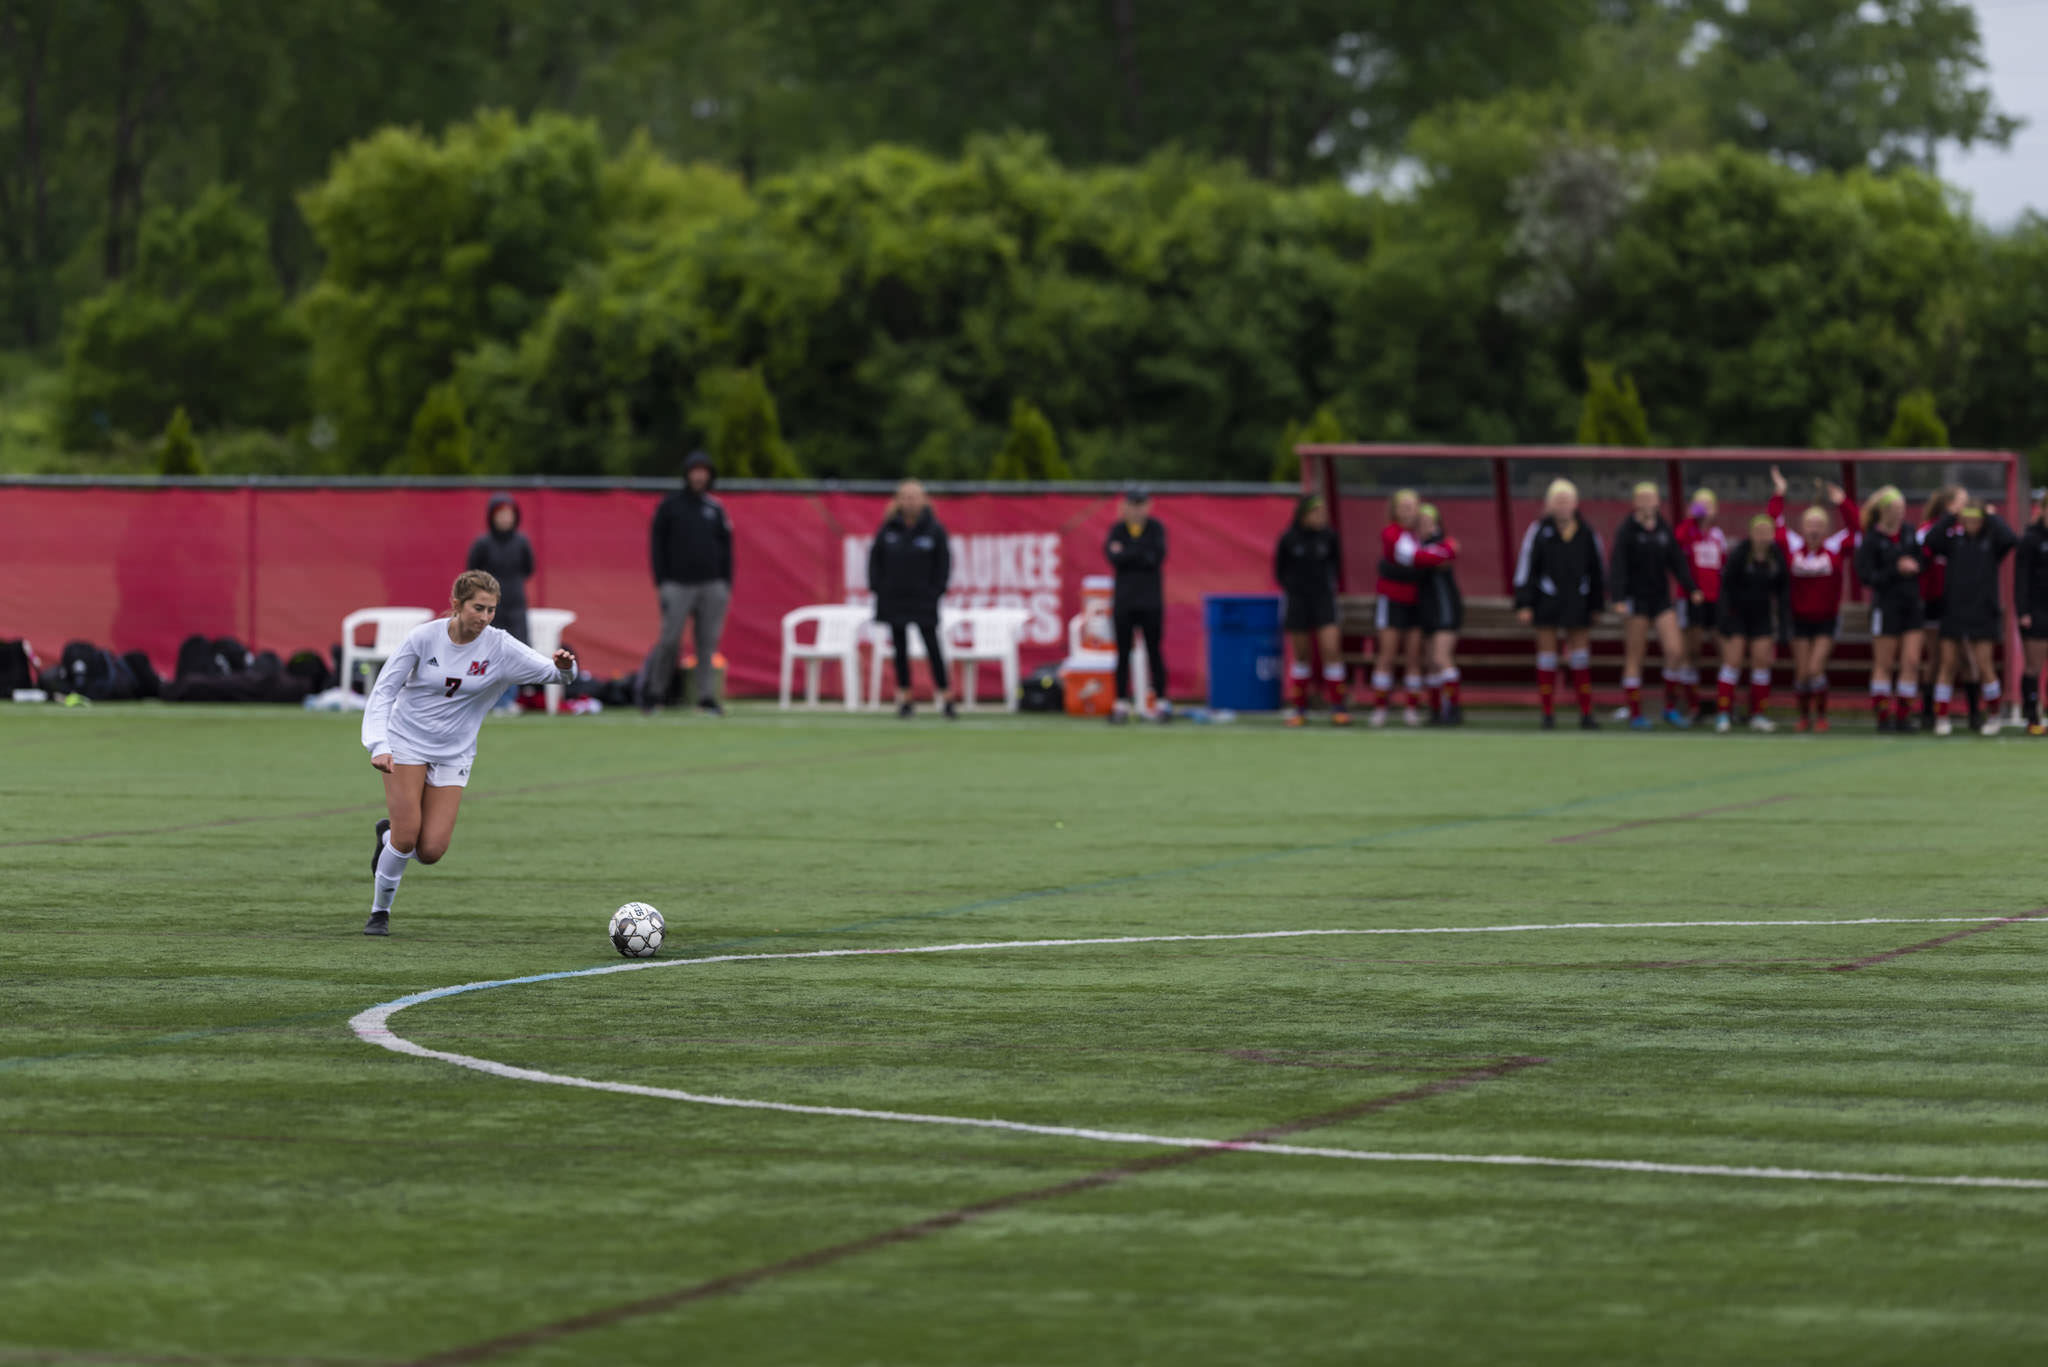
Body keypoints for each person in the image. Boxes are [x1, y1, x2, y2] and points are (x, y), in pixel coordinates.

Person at [359, 570, 576, 936]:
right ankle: (380, 912)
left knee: (431, 851)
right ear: (456, 605)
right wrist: (379, 745)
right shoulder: (423, 638)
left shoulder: (499, 645)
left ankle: (386, 838)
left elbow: (554, 675)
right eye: (478, 608)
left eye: (492, 610)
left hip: (454, 752)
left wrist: (566, 667)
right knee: (408, 836)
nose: (485, 618)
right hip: (406, 741)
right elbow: (383, 693)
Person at [1769, 466, 1861, 733]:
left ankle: (1821, 715)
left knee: (1813, 668)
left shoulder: (1834, 548)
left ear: (1826, 529)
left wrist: (1843, 502)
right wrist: (1779, 493)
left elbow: (1856, 530)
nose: (1814, 530)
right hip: (1798, 618)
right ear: (1803, 526)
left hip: (1826, 619)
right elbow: (1774, 522)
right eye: (1810, 525)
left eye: (1819, 526)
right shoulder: (1792, 545)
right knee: (1802, 672)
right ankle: (1803, 716)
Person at [1513, 478, 1606, 730]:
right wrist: (1524, 602)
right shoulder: (1538, 531)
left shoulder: (1587, 532)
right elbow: (1526, 569)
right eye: (1557, 500)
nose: (1562, 505)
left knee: (1580, 657)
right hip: (1547, 600)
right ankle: (1547, 713)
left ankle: (1586, 713)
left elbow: (1597, 571)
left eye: (1566, 500)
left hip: (1578, 601)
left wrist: (1597, 604)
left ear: (1575, 504)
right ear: (1549, 504)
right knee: (1547, 656)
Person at [645, 451, 733, 716]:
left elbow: (727, 549)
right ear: (687, 473)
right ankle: (655, 693)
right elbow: (657, 546)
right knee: (669, 640)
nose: (699, 475)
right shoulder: (670, 506)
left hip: (712, 586)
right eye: (695, 470)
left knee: (707, 643)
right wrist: (662, 582)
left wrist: (725, 584)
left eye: (704, 470)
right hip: (678, 585)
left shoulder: (715, 508)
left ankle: (706, 697)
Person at [1609, 482, 1700, 730]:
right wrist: (1618, 598)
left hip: (1661, 599)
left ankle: (1670, 708)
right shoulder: (1627, 530)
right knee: (1635, 655)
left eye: (1652, 498)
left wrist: (1692, 589)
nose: (1648, 503)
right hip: (1635, 600)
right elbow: (1617, 565)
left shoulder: (1662, 528)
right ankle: (1635, 713)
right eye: (1643, 498)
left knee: (1675, 651)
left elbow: (1677, 561)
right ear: (1635, 502)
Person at [1923, 495, 2016, 737]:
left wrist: (1992, 515)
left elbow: (2010, 538)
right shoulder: (1953, 542)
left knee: (1984, 665)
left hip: (1983, 611)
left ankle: (1994, 716)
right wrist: (1951, 516)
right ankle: (1941, 717)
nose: (1971, 524)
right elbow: (1931, 539)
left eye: (1976, 520)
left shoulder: (1992, 543)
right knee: (1948, 664)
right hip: (1954, 611)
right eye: (1966, 520)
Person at [869, 479, 957, 720]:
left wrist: (935, 591)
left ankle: (946, 696)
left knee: (932, 646)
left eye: (914, 496)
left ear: (924, 500)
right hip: (893, 599)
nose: (909, 501)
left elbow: (944, 564)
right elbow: (875, 561)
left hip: (923, 600)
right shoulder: (888, 529)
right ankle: (905, 698)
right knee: (900, 649)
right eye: (905, 497)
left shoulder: (934, 529)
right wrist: (879, 588)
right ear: (898, 500)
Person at [1371, 488, 1454, 727]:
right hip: (1392, 600)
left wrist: (1444, 549)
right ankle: (1379, 709)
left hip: (1416, 602)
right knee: (1386, 655)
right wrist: (1447, 551)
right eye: (1403, 507)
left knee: (1414, 657)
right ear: (1394, 510)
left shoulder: (1421, 533)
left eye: (1412, 507)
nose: (1409, 512)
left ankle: (1411, 709)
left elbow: (1437, 550)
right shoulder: (1391, 533)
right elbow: (1419, 558)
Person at [1273, 494, 1350, 727]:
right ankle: (1299, 709)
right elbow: (1279, 571)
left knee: (1331, 650)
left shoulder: (1329, 538)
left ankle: (1338, 708)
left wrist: (1325, 588)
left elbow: (1336, 567)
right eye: (1316, 512)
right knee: (1302, 655)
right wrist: (1295, 587)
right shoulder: (1288, 538)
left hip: (1323, 601)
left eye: (1322, 513)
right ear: (1304, 514)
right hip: (1298, 602)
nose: (1321, 517)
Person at [1853, 486, 1924, 733]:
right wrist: (1896, 568)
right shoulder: (1872, 539)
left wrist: (1915, 564)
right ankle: (1883, 716)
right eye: (1895, 509)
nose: (1900, 514)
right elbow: (1867, 576)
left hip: (1911, 604)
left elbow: (1920, 559)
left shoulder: (1908, 532)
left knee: (1912, 661)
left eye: (1903, 509)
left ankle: (1904, 715)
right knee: (1884, 662)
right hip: (1886, 606)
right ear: (1884, 510)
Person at [1713, 513, 1792, 733]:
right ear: (1751, 533)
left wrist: (1784, 626)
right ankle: (1723, 714)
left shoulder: (1776, 556)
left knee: (1761, 662)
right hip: (1737, 615)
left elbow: (1783, 592)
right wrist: (1724, 619)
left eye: (1767, 533)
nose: (1763, 537)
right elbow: (1726, 587)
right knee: (1733, 660)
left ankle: (1757, 714)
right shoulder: (1740, 553)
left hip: (1762, 617)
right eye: (1759, 532)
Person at [1104, 486, 1170, 722]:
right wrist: (1139, 553)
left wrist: (1129, 553)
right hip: (1124, 602)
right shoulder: (1118, 530)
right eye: (1132, 505)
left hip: (1151, 602)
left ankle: (1161, 703)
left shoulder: (1156, 529)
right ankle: (1121, 703)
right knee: (1122, 654)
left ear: (1148, 506)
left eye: (1141, 505)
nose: (1136, 510)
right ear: (1125, 507)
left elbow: (1156, 557)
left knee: (1155, 652)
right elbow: (1114, 557)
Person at [1674, 489, 1726, 720]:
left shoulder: (1717, 535)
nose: (1704, 509)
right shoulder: (1688, 532)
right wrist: (1691, 517)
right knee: (1692, 651)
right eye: (1699, 505)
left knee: (1723, 649)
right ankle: (1692, 705)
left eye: (1708, 504)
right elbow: (1677, 544)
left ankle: (1726, 705)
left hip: (1715, 600)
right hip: (1691, 598)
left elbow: (1723, 567)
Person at [1916, 487, 1963, 728]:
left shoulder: (1966, 530)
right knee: (1936, 657)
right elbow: (1924, 553)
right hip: (1934, 600)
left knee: (1958, 658)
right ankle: (1928, 711)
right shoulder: (1928, 529)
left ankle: (1973, 711)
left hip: (1959, 603)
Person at [1416, 503, 1464, 725]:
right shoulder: (1415, 546)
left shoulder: (1441, 545)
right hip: (1426, 609)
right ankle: (1435, 710)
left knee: (1440, 658)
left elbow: (1447, 553)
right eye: (1421, 522)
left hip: (1445, 608)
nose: (1425, 526)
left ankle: (1453, 708)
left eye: (1429, 522)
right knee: (1430, 661)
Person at [465, 494, 534, 644]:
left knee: (519, 647)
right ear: (492, 516)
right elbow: (471, 574)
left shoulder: (522, 543)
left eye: (508, 514)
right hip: (490, 607)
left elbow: (528, 569)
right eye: (500, 514)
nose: (505, 519)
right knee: (490, 647)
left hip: (516, 606)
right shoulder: (482, 544)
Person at [2015, 494, 2048, 735]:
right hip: (2036, 611)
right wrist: (2023, 611)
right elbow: (2021, 579)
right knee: (2033, 666)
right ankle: (2032, 717)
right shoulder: (2030, 539)